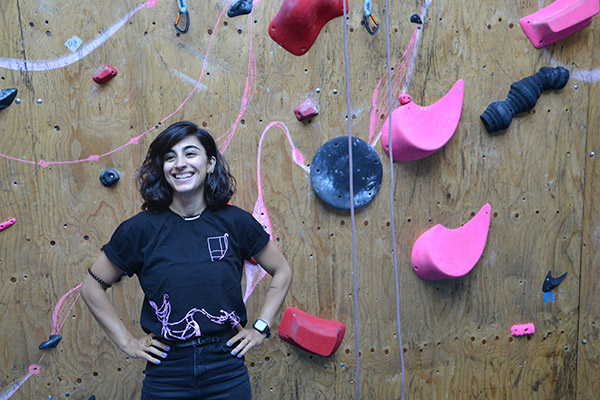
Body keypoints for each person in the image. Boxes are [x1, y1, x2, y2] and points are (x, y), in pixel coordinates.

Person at [81, 121, 292, 399]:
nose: (180, 164)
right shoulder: (139, 229)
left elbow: (282, 270)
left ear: (210, 164)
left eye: (190, 154)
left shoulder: (236, 222)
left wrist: (260, 328)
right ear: (162, 169)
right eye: (170, 157)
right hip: (167, 371)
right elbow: (91, 287)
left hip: (225, 368)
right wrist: (127, 342)